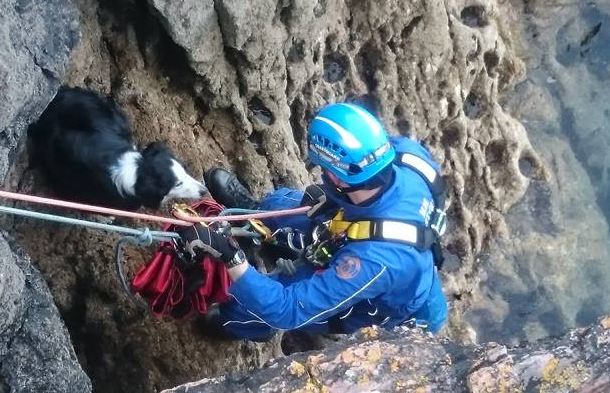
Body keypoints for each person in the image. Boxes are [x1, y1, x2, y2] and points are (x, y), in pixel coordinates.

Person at [182, 102, 448, 340]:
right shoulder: (406, 155)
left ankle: (241, 324)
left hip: (383, 301)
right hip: (358, 223)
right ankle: (258, 220)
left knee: (259, 306)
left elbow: (287, 309)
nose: (323, 174)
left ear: (339, 179)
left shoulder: (372, 262)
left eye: (325, 169)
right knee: (279, 204)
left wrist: (230, 258)